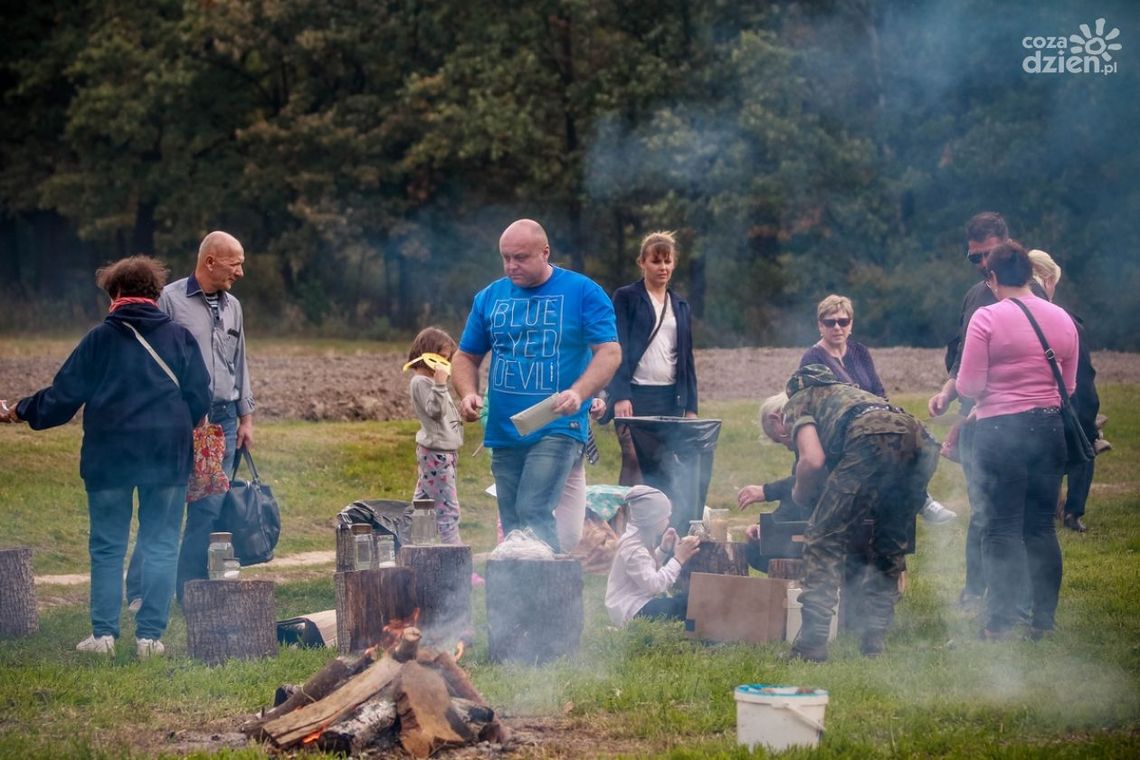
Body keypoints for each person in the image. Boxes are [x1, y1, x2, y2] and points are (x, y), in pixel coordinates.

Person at [1, 257, 210, 657]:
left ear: (115, 293)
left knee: (109, 546)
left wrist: (19, 410)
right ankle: (150, 637)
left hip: (109, 458)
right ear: (154, 293)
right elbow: (200, 397)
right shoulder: (180, 338)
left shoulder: (98, 339)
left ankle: (104, 636)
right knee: (163, 544)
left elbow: (62, 399)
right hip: (166, 457)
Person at [452, 219, 620, 551]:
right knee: (514, 520)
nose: (512, 266)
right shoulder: (489, 298)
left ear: (545, 253)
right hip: (504, 428)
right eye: (506, 258)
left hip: (558, 423)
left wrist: (579, 391)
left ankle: (545, 599)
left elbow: (610, 352)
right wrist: (468, 393)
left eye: (521, 257)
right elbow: (465, 356)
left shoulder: (583, 292)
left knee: (533, 509)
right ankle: (517, 600)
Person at [760, 364, 939, 661]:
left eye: (780, 436)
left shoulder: (798, 401)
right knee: (890, 543)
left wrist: (800, 495)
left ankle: (811, 646)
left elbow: (813, 461)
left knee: (822, 538)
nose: (783, 440)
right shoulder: (851, 394)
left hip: (870, 438)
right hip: (920, 441)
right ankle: (874, 643)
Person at [742, 294, 955, 525]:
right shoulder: (812, 357)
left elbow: (877, 389)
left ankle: (917, 500)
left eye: (843, 321)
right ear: (820, 326)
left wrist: (883, 410)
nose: (837, 327)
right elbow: (810, 404)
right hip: (836, 430)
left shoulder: (860, 352)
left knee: (891, 442)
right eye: (830, 322)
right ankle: (916, 503)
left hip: (871, 416)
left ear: (851, 324)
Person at [957, 241, 1077, 640]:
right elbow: (1069, 387)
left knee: (1001, 529)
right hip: (1049, 429)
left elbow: (970, 383)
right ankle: (1042, 622)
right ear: (1029, 274)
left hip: (1000, 432)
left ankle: (1001, 623)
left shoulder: (987, 318)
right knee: (1041, 528)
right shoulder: (1062, 319)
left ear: (993, 278)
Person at [127, 230, 255, 604]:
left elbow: (240, 361)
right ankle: (138, 589)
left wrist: (246, 418)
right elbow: (151, 361)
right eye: (236, 264)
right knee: (163, 505)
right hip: (180, 421)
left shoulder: (234, 307)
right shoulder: (169, 300)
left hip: (224, 421)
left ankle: (187, 590)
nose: (241, 272)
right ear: (210, 261)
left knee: (208, 510)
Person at [607, 231, 699, 485]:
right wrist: (621, 394)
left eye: (667, 262)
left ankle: (661, 522)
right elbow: (617, 348)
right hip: (635, 395)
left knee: (664, 465)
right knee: (633, 460)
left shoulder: (680, 305)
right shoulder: (626, 297)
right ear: (642, 263)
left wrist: (691, 407)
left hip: (669, 397)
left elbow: (686, 360)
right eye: (656, 261)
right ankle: (623, 521)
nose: (663, 267)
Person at [1027, 249, 1100, 533]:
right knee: (1086, 448)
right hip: (1067, 404)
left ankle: (1043, 509)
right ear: (1046, 278)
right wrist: (1089, 414)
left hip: (1030, 409)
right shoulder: (1064, 319)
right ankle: (1072, 512)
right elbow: (1082, 373)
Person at [605, 485, 700, 626]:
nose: (668, 520)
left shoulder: (636, 539)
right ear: (653, 520)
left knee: (686, 599)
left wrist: (662, 550)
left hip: (635, 603)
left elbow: (644, 568)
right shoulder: (634, 549)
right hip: (631, 610)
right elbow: (654, 585)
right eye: (666, 517)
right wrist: (679, 559)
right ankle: (696, 629)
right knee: (685, 604)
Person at [404, 327, 465, 544]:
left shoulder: (431, 383)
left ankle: (405, 545)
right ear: (428, 353)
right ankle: (457, 560)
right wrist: (440, 383)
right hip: (436, 455)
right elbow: (435, 412)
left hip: (443, 453)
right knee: (448, 510)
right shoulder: (421, 382)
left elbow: (445, 417)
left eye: (447, 360)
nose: (444, 365)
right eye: (441, 359)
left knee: (422, 504)